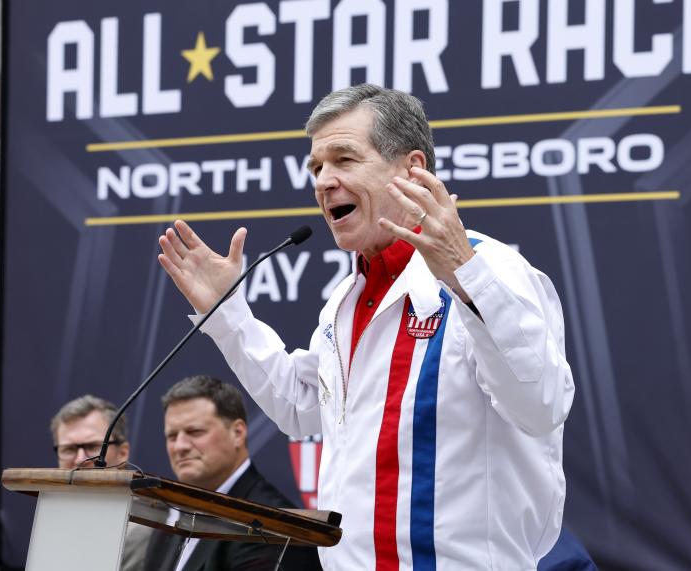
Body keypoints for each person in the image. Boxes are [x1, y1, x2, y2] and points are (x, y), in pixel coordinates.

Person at [157, 84, 575, 569]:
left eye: (344, 159)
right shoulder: (346, 299)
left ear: (412, 169)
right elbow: (304, 407)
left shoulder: (491, 269)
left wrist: (465, 273)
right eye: (316, 167)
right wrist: (228, 316)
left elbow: (541, 404)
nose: (323, 181)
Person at [142, 375, 321, 571]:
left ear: (237, 433)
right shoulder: (169, 520)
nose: (180, 446)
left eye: (195, 432)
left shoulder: (271, 524)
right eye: (172, 436)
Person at [51, 395, 153, 571]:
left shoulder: (147, 526)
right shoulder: (51, 520)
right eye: (68, 449)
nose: (80, 459)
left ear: (123, 452)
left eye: (92, 447)